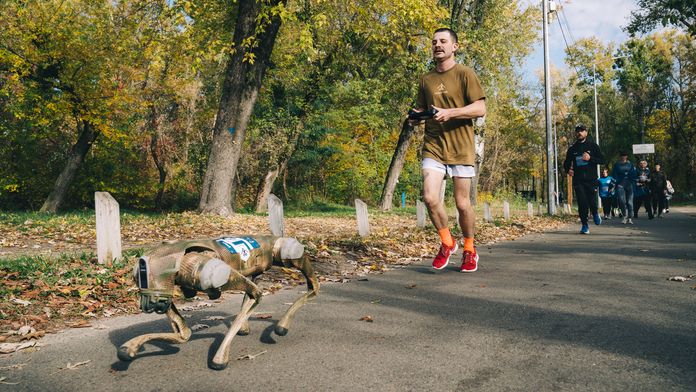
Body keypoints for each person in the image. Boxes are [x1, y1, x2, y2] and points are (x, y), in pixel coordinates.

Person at [410, 27, 486, 272]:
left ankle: (469, 249)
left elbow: (480, 109)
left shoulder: (465, 74)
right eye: (434, 42)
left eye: (443, 41)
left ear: (454, 46)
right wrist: (414, 118)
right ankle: (446, 242)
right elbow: (422, 109)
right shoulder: (426, 79)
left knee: (462, 203)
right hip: (433, 146)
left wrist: (451, 113)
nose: (437, 45)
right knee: (430, 197)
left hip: (461, 146)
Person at [562, 124, 604, 234]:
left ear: (586, 132)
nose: (579, 133)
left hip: (591, 179)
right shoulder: (572, 149)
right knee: (582, 202)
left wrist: (590, 158)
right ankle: (585, 225)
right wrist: (568, 170)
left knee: (592, 201)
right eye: (577, 131)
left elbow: (602, 160)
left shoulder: (593, 146)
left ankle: (595, 213)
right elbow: (566, 163)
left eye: (582, 130)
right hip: (578, 180)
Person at [611, 151, 636, 224]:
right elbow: (614, 175)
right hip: (620, 185)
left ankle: (630, 217)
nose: (623, 157)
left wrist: (634, 181)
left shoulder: (630, 164)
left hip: (629, 185)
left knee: (629, 202)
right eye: (622, 155)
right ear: (620, 157)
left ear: (626, 156)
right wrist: (612, 186)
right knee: (622, 201)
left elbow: (634, 174)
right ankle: (624, 216)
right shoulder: (617, 165)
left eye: (624, 155)